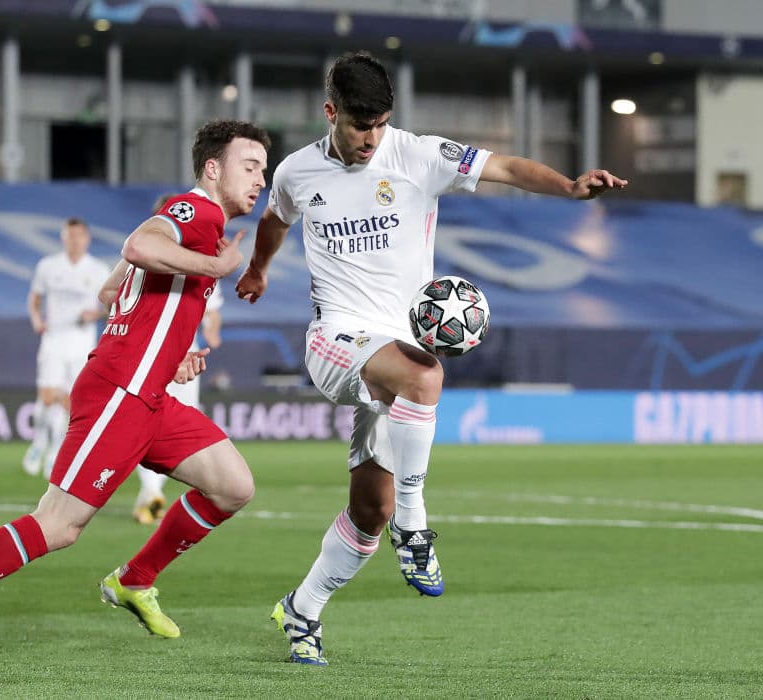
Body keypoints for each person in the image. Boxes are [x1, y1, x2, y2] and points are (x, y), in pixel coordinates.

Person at [235, 51, 628, 666]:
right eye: (360, 125)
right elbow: (275, 219)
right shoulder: (296, 171)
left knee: (369, 512)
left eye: (380, 124)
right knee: (426, 376)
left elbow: (507, 167)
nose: (371, 137)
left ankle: (302, 610)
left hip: (394, 349)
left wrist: (570, 187)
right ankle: (414, 525)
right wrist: (258, 269)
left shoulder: (417, 155)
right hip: (335, 339)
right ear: (331, 112)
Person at [0, 119, 270, 669]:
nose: (260, 179)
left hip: (148, 392)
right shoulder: (199, 211)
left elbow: (110, 288)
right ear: (213, 169)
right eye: (250, 166)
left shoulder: (200, 224)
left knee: (234, 486)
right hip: (120, 393)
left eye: (263, 169)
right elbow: (138, 245)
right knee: (59, 524)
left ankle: (134, 580)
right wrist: (215, 266)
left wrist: (165, 353)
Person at [97, 193, 226, 526]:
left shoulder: (197, 260)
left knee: (171, 423)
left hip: (182, 355)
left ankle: (151, 492)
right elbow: (108, 295)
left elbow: (212, 308)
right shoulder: (144, 258)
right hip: (149, 354)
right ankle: (150, 490)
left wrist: (211, 331)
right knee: (148, 423)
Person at [22, 218, 110, 478]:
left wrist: (95, 314)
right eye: (70, 236)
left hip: (81, 343)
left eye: (79, 236)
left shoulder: (98, 270)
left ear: (87, 239)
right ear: (63, 238)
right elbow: (35, 299)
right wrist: (36, 320)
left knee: (70, 402)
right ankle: (39, 442)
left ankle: (55, 452)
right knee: (47, 396)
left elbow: (111, 306)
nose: (75, 241)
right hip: (54, 340)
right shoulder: (48, 266)